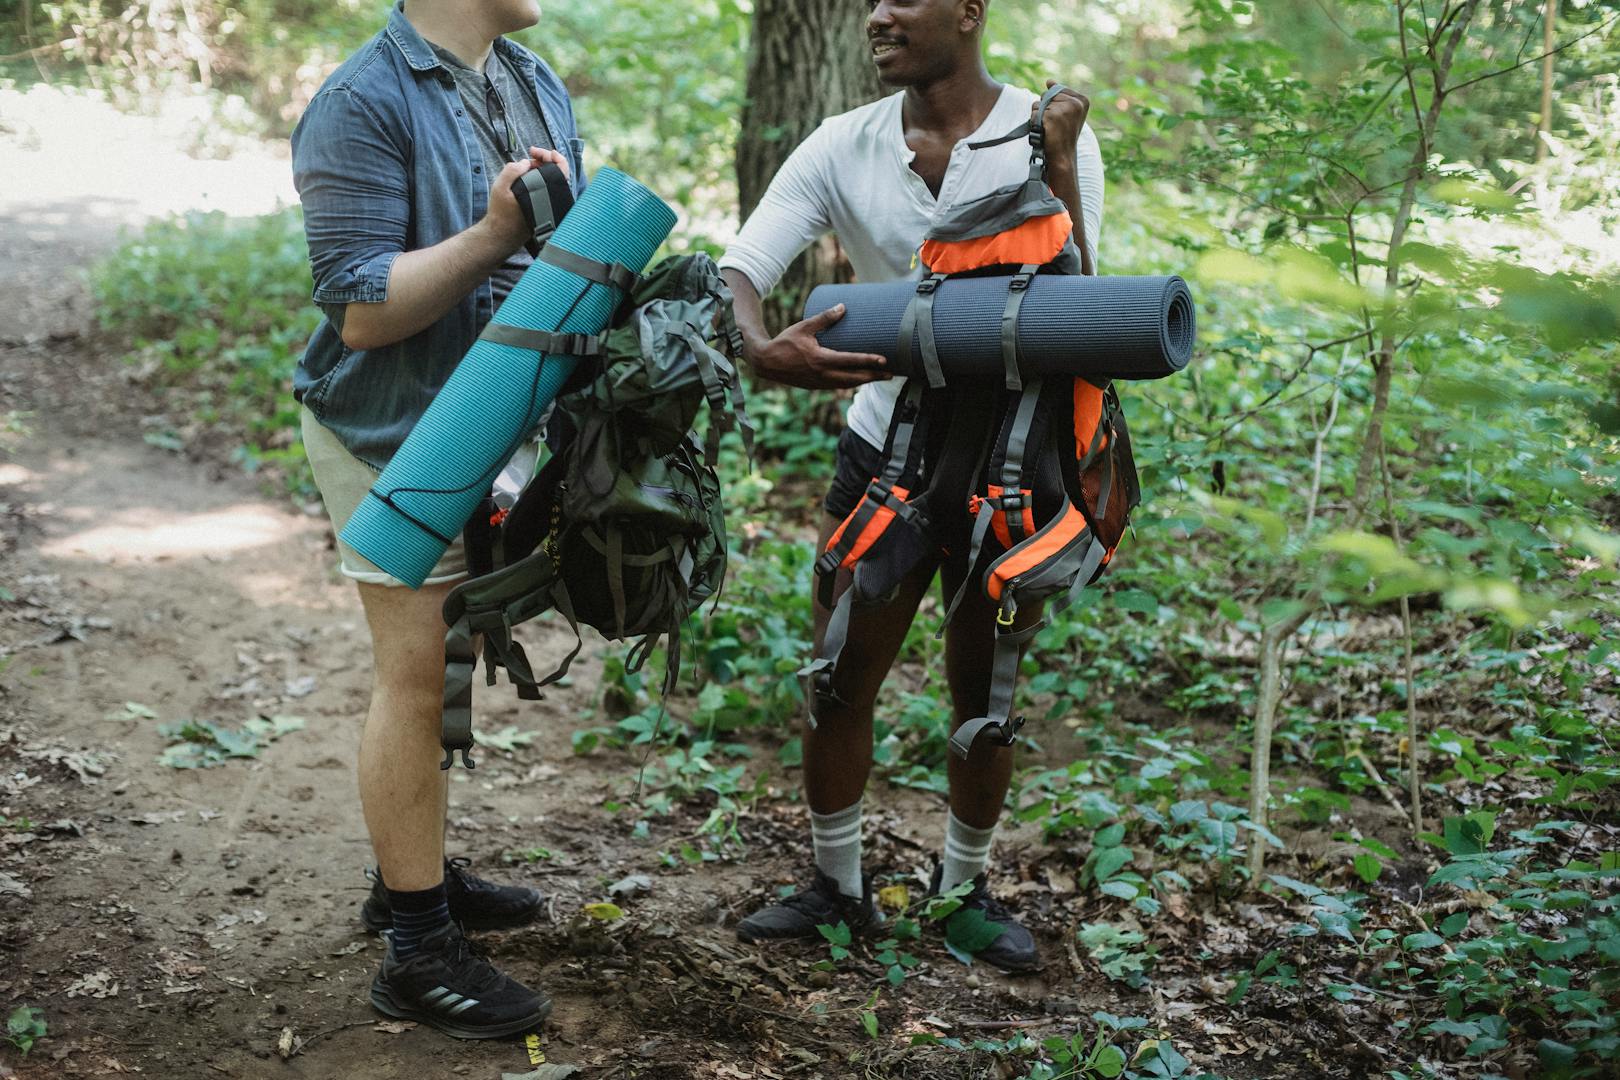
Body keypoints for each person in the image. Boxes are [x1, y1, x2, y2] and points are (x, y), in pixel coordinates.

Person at [718, 0, 1104, 973]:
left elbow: (1087, 302)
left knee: (985, 690)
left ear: (970, 12)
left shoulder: (1049, 125)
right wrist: (762, 349)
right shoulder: (841, 145)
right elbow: (741, 272)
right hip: (878, 452)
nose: (877, 15)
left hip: (1010, 463)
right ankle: (834, 892)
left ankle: (962, 894)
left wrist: (1056, 166)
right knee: (840, 672)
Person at [290, 0, 584, 1039]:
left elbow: (560, 258)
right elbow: (361, 309)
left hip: (489, 422)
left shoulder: (532, 80)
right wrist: (498, 230)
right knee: (413, 674)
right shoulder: (361, 101)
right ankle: (415, 949)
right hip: (389, 432)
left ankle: (409, 880)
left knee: (445, 660)